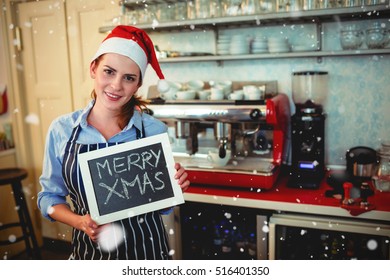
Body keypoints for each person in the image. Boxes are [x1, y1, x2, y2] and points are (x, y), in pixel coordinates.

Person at [38, 25, 190, 260]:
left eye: (129, 78)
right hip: (90, 257)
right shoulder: (62, 130)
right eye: (109, 71)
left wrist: (172, 186)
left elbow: (163, 207)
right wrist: (80, 222)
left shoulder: (153, 130)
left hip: (148, 255)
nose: (116, 85)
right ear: (93, 69)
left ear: (138, 84)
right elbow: (49, 197)